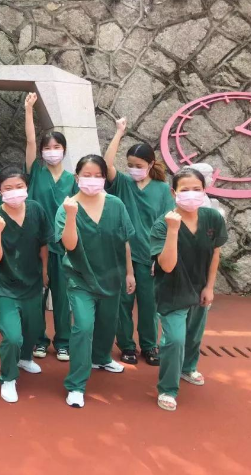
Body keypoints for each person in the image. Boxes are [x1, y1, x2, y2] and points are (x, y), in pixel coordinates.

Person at [55, 155, 136, 408]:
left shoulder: (116, 205)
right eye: (86, 175)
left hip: (112, 275)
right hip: (80, 278)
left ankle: (101, 357)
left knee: (107, 323)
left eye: (98, 175)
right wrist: (71, 216)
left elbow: (125, 240)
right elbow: (69, 245)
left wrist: (130, 273)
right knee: (83, 327)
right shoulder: (67, 207)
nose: (92, 180)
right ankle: (76, 385)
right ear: (77, 177)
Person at [151, 167, 227, 411]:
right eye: (185, 190)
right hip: (172, 290)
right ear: (174, 192)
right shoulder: (163, 225)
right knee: (174, 340)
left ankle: (188, 368)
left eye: (197, 189)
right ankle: (167, 388)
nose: (191, 194)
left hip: (199, 288)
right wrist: (173, 230)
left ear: (205, 191)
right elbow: (166, 265)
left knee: (194, 334)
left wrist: (210, 287)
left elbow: (215, 254)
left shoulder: (212, 218)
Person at [104, 118, 175, 366]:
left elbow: (167, 224)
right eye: (130, 165)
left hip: (149, 257)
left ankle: (149, 345)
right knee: (123, 303)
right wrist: (119, 132)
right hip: (122, 255)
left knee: (149, 305)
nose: (134, 169)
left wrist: (159, 256)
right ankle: (126, 345)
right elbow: (107, 164)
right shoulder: (123, 183)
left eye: (139, 165)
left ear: (151, 164)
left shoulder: (162, 189)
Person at [0, 166, 53, 403]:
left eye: (19, 186)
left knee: (33, 329)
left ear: (27, 187)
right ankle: (8, 377)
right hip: (4, 287)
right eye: (8, 188)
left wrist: (45, 271)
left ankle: (25, 359)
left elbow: (43, 243)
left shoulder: (36, 210)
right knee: (12, 336)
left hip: (32, 283)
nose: (14, 192)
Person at [24, 92, 76, 362]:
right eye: (48, 147)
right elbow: (30, 141)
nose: (51, 151)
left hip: (64, 247)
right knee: (36, 296)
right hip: (36, 245)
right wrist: (28, 110)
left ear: (64, 150)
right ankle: (39, 340)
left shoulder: (73, 180)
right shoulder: (36, 173)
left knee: (63, 297)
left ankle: (63, 341)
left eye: (57, 146)